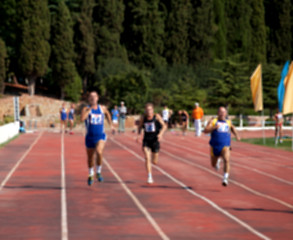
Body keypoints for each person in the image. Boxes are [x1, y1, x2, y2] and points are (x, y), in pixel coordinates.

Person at [81, 91, 113, 186]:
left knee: (99, 151)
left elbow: (107, 113)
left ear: (97, 98)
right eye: (91, 97)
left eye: (94, 97)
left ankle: (98, 171)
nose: (93, 98)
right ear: (88, 99)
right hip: (90, 137)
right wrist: (90, 109)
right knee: (90, 158)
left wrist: (111, 125)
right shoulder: (86, 109)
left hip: (100, 136)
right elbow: (82, 118)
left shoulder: (102, 108)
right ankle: (91, 174)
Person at [204, 107, 240, 187]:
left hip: (225, 145)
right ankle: (217, 161)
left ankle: (225, 178)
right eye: (221, 112)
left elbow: (232, 128)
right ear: (218, 113)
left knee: (227, 160)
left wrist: (237, 135)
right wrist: (213, 128)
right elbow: (205, 130)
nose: (222, 113)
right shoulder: (213, 121)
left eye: (224, 112)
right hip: (214, 146)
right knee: (213, 165)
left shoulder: (228, 122)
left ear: (226, 113)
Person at [137, 103, 167, 184]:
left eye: (150, 110)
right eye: (147, 110)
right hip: (146, 140)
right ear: (145, 110)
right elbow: (139, 127)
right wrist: (138, 135)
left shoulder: (156, 117)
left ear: (153, 110)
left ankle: (154, 162)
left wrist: (160, 134)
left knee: (154, 162)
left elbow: (164, 126)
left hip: (155, 140)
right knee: (147, 158)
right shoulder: (143, 118)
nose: (149, 111)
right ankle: (149, 176)